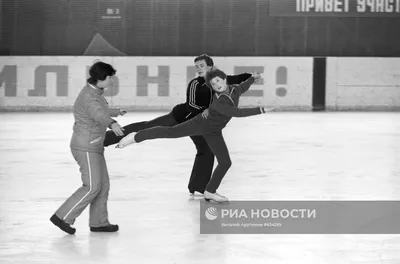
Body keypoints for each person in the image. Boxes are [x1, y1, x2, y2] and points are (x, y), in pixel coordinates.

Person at [115, 69, 272, 203]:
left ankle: (210, 191)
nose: (217, 85)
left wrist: (253, 78)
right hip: (200, 124)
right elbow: (238, 113)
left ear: (224, 79)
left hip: (214, 131)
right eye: (213, 84)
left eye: (218, 81)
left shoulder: (234, 89)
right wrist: (261, 110)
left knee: (225, 162)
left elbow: (243, 87)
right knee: (170, 132)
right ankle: (136, 136)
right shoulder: (220, 103)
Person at [103, 54, 252, 195]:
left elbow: (235, 78)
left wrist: (251, 76)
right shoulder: (195, 83)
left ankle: (198, 186)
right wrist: (207, 110)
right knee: (147, 126)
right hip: (181, 117)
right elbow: (192, 104)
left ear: (211, 67)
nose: (199, 68)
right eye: (196, 66)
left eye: (201, 65)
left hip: (200, 123)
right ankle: (106, 139)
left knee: (206, 150)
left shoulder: (218, 81)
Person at [50, 61, 126, 235]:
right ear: (101, 78)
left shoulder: (95, 92)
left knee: (103, 185)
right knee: (92, 186)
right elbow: (98, 114)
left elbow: (101, 109)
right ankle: (62, 217)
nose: (112, 81)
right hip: (86, 146)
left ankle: (99, 222)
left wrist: (115, 111)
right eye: (110, 78)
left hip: (94, 144)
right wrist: (112, 123)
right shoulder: (90, 96)